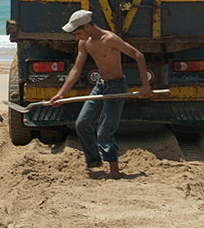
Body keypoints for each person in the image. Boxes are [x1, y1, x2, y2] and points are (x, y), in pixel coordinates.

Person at [49, 9, 152, 179]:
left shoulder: (110, 39)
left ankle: (114, 171)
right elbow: (76, 69)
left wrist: (145, 85)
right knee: (82, 123)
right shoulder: (84, 42)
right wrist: (61, 94)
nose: (76, 37)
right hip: (101, 85)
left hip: (117, 87)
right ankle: (94, 159)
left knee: (105, 131)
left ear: (88, 27)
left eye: (78, 33)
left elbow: (138, 55)